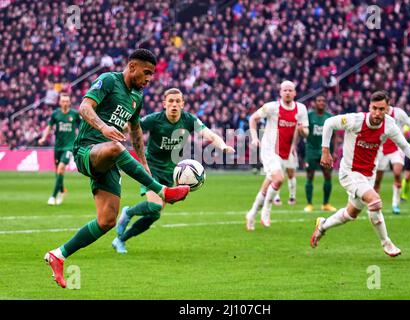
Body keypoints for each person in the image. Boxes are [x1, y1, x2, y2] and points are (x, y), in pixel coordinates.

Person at [44, 49, 190, 288]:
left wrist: (144, 164)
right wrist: (103, 128)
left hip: (109, 161)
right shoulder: (109, 80)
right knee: (115, 146)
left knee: (107, 221)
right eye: (146, 73)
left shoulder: (137, 97)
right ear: (132, 67)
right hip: (86, 150)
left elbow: (135, 131)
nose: (149, 79)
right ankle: (163, 191)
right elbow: (84, 107)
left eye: (152, 75)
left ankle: (58, 255)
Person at [112, 88, 235, 253]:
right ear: (164, 104)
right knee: (155, 206)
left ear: (183, 104)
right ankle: (128, 212)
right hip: (151, 169)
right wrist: (113, 132)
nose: (174, 105)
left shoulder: (188, 119)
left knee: (154, 215)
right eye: (171, 101)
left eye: (178, 101)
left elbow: (210, 135)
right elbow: (131, 126)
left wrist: (223, 146)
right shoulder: (155, 119)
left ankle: (121, 240)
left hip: (171, 172)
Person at [310, 91, 410, 257]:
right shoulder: (355, 120)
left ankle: (322, 226)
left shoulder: (389, 125)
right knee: (375, 202)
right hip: (349, 173)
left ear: (388, 109)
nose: (378, 113)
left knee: (350, 214)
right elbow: (329, 122)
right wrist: (325, 151)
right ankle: (386, 242)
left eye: (382, 109)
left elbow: (403, 144)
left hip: (367, 176)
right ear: (369, 107)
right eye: (375, 108)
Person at [246, 80, 309, 231]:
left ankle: (251, 214)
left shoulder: (301, 109)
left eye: (290, 90)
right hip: (269, 150)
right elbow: (253, 119)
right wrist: (254, 137)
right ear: (280, 93)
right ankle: (266, 211)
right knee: (279, 179)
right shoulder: (272, 107)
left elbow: (306, 131)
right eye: (284, 90)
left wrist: (301, 130)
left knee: (268, 184)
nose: (287, 92)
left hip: (285, 152)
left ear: (294, 93)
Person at [373, 103, 410, 214]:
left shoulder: (399, 113)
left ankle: (395, 204)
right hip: (381, 150)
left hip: (396, 149)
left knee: (397, 174)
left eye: (384, 107)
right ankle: (374, 205)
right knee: (377, 180)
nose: (381, 110)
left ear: (388, 104)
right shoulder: (376, 114)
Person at [38, 92, 81, 205]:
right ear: (60, 102)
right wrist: (43, 138)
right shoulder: (55, 114)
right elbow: (49, 126)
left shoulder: (75, 114)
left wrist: (82, 139)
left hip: (69, 146)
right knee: (57, 172)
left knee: (61, 168)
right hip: (58, 146)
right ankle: (62, 190)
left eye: (67, 101)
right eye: (63, 101)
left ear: (70, 102)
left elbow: (81, 127)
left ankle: (53, 196)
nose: (65, 103)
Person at [303, 95, 336, 213]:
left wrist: (335, 151)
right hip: (311, 150)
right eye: (319, 101)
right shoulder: (309, 116)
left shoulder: (330, 117)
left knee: (327, 176)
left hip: (325, 151)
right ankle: (309, 204)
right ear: (314, 103)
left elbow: (335, 136)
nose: (321, 102)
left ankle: (326, 203)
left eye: (323, 101)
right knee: (310, 176)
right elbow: (304, 131)